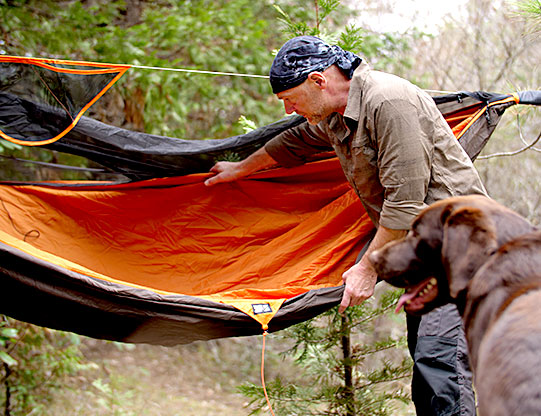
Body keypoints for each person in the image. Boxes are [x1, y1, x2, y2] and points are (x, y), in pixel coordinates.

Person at [205, 35, 485, 415]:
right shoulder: (338, 113)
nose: (289, 109)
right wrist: (240, 169)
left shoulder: (388, 101)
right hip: (425, 259)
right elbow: (297, 142)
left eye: (291, 98)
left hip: (461, 251)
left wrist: (367, 269)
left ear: (319, 81)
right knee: (429, 376)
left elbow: (405, 202)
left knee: (441, 368)